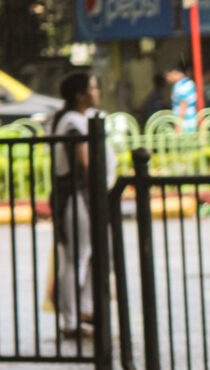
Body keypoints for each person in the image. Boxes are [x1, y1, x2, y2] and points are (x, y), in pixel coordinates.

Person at [49, 73, 114, 339]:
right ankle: (71, 320)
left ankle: (84, 311)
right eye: (93, 88)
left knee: (90, 256)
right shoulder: (73, 121)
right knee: (78, 257)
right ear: (80, 94)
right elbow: (83, 161)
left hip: (80, 196)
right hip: (79, 197)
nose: (97, 92)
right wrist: (94, 183)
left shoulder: (69, 119)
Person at [165, 63, 198, 132]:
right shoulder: (185, 83)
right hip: (187, 122)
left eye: (168, 75)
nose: (167, 79)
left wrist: (178, 125)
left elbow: (183, 104)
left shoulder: (183, 85)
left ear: (174, 73)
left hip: (185, 124)